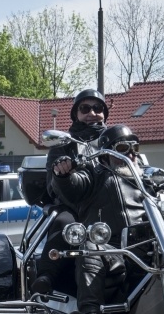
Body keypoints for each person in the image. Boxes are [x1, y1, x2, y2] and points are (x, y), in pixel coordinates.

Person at [50, 124, 147, 314]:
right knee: (89, 247)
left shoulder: (147, 178)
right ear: (105, 155)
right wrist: (63, 174)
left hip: (148, 247)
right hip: (112, 249)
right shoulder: (94, 176)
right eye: (123, 148)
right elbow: (73, 186)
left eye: (134, 148)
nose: (131, 154)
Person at [30, 88, 109, 296]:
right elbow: (51, 187)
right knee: (65, 221)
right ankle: (46, 276)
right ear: (76, 113)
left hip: (109, 202)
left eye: (97, 108)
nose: (92, 113)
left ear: (104, 113)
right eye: (85, 108)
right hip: (74, 204)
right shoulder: (63, 143)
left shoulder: (113, 140)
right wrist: (62, 174)